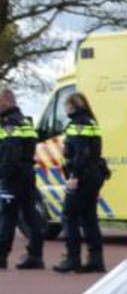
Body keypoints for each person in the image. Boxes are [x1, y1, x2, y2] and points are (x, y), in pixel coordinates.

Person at [52, 91, 107, 275]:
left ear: (72, 106)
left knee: (69, 215)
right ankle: (95, 259)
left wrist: (74, 176)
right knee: (89, 217)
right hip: (95, 175)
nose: (65, 109)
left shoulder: (77, 125)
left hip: (82, 177)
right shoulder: (91, 122)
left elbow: (81, 153)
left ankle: (72, 258)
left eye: (66, 105)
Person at [0, 87, 45, 270]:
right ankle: (35, 255)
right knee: (31, 215)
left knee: (7, 216)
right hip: (27, 173)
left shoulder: (9, 123)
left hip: (14, 175)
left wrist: (3, 173)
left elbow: (11, 151)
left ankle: (1, 256)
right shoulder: (25, 121)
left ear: (6, 101)